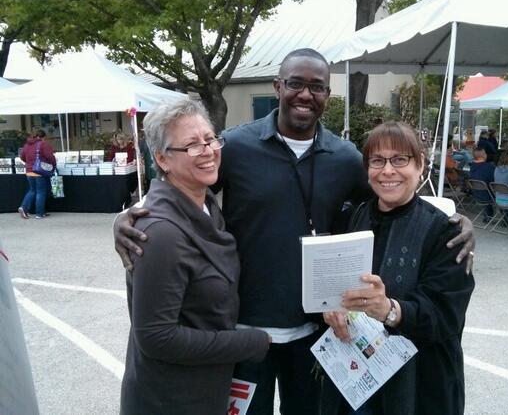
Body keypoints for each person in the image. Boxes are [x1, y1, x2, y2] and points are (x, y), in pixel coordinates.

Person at [113, 48, 476, 415]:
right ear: (277, 86)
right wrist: (132, 214)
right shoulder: (234, 147)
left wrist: (455, 218)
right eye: (295, 84)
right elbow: (185, 187)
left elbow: (392, 201)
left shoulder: (346, 157)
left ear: (326, 97)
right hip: (243, 332)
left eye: (316, 87)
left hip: (314, 332)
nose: (305, 94)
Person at [119, 99, 270, 414]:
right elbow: (157, 337)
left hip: (204, 389)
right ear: (162, 159)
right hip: (170, 399)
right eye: (191, 146)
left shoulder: (205, 204)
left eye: (210, 139)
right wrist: (250, 342)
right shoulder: (161, 234)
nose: (208, 151)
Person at [320, 122, 475, 415]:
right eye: (377, 161)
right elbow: (339, 284)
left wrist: (391, 309)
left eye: (400, 159)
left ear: (420, 167)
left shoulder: (445, 232)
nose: (387, 170)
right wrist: (333, 307)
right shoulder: (357, 217)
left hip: (418, 386)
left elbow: (446, 315)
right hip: (356, 379)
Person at [17, 129, 56, 219]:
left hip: (29, 171)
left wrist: (29, 163)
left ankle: (23, 207)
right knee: (41, 192)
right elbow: (50, 157)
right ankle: (39, 213)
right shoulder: (43, 144)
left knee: (32, 190)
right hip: (39, 171)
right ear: (42, 137)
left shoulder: (26, 145)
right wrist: (53, 166)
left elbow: (22, 157)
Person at [469, 147, 496, 220]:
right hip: (488, 196)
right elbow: (494, 181)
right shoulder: (489, 167)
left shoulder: (472, 166)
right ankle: (507, 220)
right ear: (484, 155)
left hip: (476, 194)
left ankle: (487, 216)